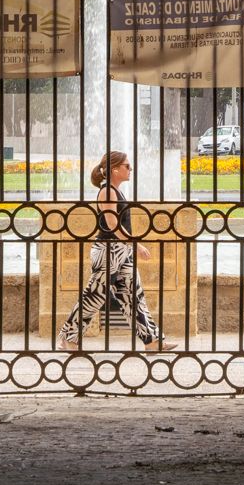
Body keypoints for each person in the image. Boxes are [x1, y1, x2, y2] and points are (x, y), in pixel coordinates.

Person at [59, 150, 179, 352]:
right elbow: (112, 224)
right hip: (109, 250)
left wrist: (130, 246)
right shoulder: (107, 191)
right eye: (126, 166)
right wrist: (136, 244)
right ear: (114, 169)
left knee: (134, 297)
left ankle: (152, 341)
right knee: (95, 295)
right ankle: (68, 338)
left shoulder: (116, 190)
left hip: (120, 251)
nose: (130, 169)